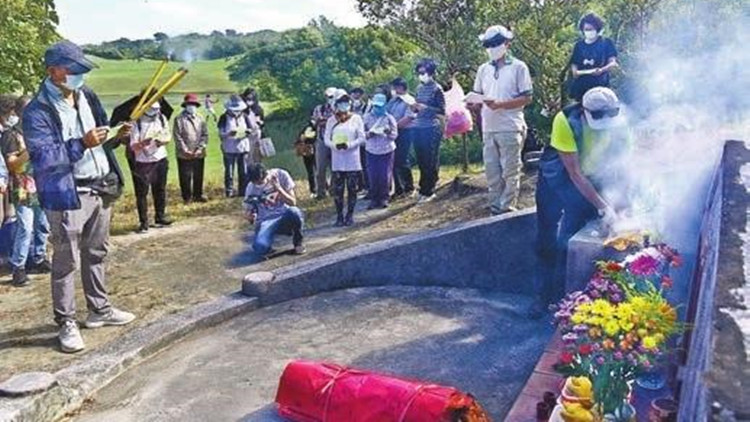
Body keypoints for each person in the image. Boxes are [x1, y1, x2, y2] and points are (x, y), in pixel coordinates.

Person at [23, 40, 135, 353]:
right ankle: (67, 322)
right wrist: (82, 143)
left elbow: (102, 136)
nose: (79, 75)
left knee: (97, 252)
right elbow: (44, 158)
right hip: (67, 194)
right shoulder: (37, 111)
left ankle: (99, 310)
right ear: (53, 72)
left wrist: (116, 136)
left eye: (82, 69)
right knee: (65, 260)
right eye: (73, 70)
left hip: (100, 186)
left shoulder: (88, 96)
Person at [532, 87, 627, 318]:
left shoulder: (621, 122)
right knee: (549, 237)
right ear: (585, 111)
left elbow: (624, 166)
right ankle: (543, 297)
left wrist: (620, 204)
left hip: (591, 179)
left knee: (571, 237)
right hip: (558, 178)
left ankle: (569, 296)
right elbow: (574, 174)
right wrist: (604, 206)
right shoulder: (565, 121)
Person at [473, 25, 534, 215]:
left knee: (510, 171)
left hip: (510, 126)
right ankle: (495, 208)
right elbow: (477, 94)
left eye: (495, 44)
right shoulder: (483, 69)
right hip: (488, 127)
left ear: (507, 44)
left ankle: (506, 208)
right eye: (488, 45)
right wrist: (472, 104)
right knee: (492, 173)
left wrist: (500, 105)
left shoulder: (518, 67)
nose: (491, 48)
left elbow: (527, 97)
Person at [1, 95, 51, 287]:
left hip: (42, 184)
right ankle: (18, 266)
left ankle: (38, 258)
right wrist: (29, 152)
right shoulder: (11, 135)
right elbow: (11, 164)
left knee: (42, 224)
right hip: (22, 187)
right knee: (25, 226)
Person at [324, 90, 366, 227]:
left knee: (352, 189)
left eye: (346, 101)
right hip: (337, 159)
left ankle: (350, 215)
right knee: (338, 190)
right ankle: (339, 216)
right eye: (341, 102)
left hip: (352, 158)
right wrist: (335, 146)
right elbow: (326, 139)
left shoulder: (356, 118)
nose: (344, 104)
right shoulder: (331, 120)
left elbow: (361, 137)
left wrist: (349, 145)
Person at [244, 163, 305, 256]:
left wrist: (279, 188)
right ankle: (265, 245)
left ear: (265, 174)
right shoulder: (251, 187)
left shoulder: (281, 175)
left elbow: (293, 202)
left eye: (261, 182)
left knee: (295, 212)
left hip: (284, 216)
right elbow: (248, 212)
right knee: (260, 249)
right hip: (266, 221)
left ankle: (298, 243)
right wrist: (251, 217)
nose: (258, 185)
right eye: (256, 183)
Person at [130, 102, 172, 233]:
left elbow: (168, 135)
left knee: (160, 189)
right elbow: (133, 146)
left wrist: (162, 141)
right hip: (143, 162)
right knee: (142, 193)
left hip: (160, 158)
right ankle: (144, 222)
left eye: (157, 109)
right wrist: (143, 143)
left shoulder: (161, 118)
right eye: (153, 109)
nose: (156, 112)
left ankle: (160, 217)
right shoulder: (136, 122)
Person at [411, 58, 445, 204]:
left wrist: (427, 108)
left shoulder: (437, 89)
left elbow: (442, 110)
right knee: (421, 160)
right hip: (418, 125)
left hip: (431, 126)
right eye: (419, 73)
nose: (421, 75)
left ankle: (429, 190)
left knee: (430, 159)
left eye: (423, 72)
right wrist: (414, 107)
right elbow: (417, 105)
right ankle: (422, 187)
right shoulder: (419, 88)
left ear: (431, 73)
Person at [569, 13, 619, 102]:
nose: (589, 31)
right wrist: (580, 72)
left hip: (601, 90)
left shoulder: (606, 43)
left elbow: (613, 63)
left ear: (597, 29)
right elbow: (574, 69)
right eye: (586, 29)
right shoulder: (578, 46)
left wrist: (602, 70)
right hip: (581, 90)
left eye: (591, 29)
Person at [219, 94, 259, 197]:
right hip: (229, 149)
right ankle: (229, 191)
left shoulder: (244, 116)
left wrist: (248, 132)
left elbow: (252, 129)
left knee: (243, 171)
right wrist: (228, 134)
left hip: (243, 148)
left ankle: (243, 191)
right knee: (229, 172)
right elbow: (220, 134)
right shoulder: (224, 117)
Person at [363, 93, 398, 209]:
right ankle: (374, 199)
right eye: (376, 106)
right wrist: (369, 134)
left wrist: (388, 132)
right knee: (373, 175)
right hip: (371, 150)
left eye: (380, 106)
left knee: (384, 175)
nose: (377, 108)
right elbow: (361, 135)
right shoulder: (366, 117)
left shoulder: (389, 118)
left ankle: (384, 198)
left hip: (386, 150)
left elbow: (395, 135)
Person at [174, 93, 209, 204]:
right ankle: (187, 197)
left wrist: (200, 148)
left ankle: (198, 195)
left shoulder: (200, 118)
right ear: (185, 105)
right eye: (189, 104)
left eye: (193, 104)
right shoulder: (179, 119)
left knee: (198, 175)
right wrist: (185, 150)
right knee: (185, 176)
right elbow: (177, 136)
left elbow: (205, 135)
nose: (191, 106)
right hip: (184, 153)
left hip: (199, 152)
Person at [387, 78, 417, 198]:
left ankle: (409, 187)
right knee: (393, 161)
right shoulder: (393, 100)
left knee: (402, 159)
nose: (394, 90)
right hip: (393, 133)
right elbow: (387, 113)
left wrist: (394, 127)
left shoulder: (409, 100)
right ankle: (399, 189)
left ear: (401, 87)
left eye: (396, 87)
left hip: (405, 132)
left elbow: (409, 117)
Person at [311, 87, 337, 199]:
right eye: (327, 96)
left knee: (335, 168)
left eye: (331, 97)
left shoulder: (338, 108)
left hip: (335, 140)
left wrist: (325, 121)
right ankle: (321, 192)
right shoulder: (319, 108)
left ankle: (334, 190)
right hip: (321, 140)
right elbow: (314, 122)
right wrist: (318, 122)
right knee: (320, 168)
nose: (329, 99)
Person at [294, 119, 318, 195]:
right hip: (311, 152)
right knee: (317, 171)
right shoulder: (315, 128)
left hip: (307, 152)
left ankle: (313, 190)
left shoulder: (305, 128)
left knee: (312, 172)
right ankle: (316, 189)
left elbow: (299, 140)